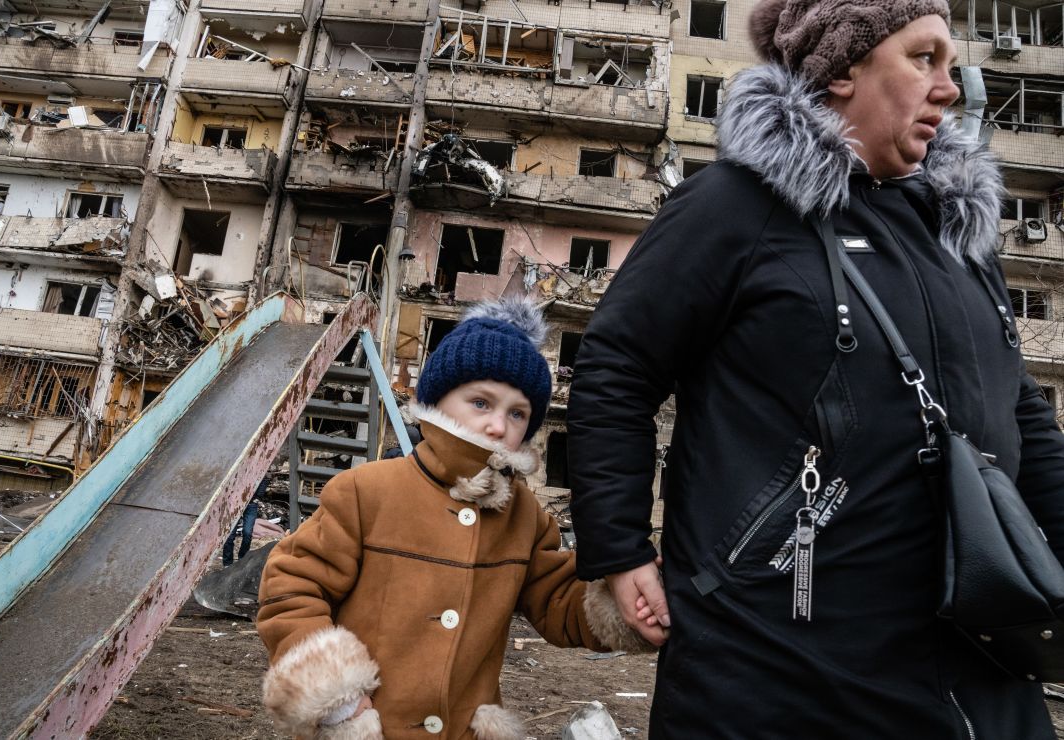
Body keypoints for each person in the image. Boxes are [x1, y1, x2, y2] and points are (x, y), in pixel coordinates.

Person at [567, 1, 1064, 737]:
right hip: (777, 665)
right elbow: (617, 363)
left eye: (951, 66)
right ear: (840, 70)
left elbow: (1019, 405)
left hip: (978, 664)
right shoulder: (734, 205)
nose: (950, 88)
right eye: (923, 58)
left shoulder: (957, 234)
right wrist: (617, 547)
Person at [256, 298, 648, 740]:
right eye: (481, 402)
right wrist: (339, 700)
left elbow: (557, 602)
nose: (499, 425)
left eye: (517, 413)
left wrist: (628, 605)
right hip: (369, 726)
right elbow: (292, 585)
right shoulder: (367, 491)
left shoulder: (525, 519)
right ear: (437, 400)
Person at [222, 475, 268, 567]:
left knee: (247, 533)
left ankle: (242, 560)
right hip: (234, 502)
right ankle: (227, 564)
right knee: (230, 535)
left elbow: (264, 478)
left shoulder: (257, 465)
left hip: (251, 504)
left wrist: (258, 497)